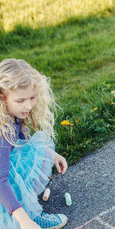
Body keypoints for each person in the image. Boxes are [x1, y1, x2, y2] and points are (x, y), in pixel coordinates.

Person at [0, 59, 68, 229]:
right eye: (21, 100)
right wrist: (24, 220)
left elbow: (22, 142)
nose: (29, 105)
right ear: (3, 96)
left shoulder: (11, 113)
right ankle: (28, 216)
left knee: (32, 149)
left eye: (32, 97)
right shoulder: (2, 130)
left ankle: (23, 209)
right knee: (11, 172)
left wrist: (51, 154)